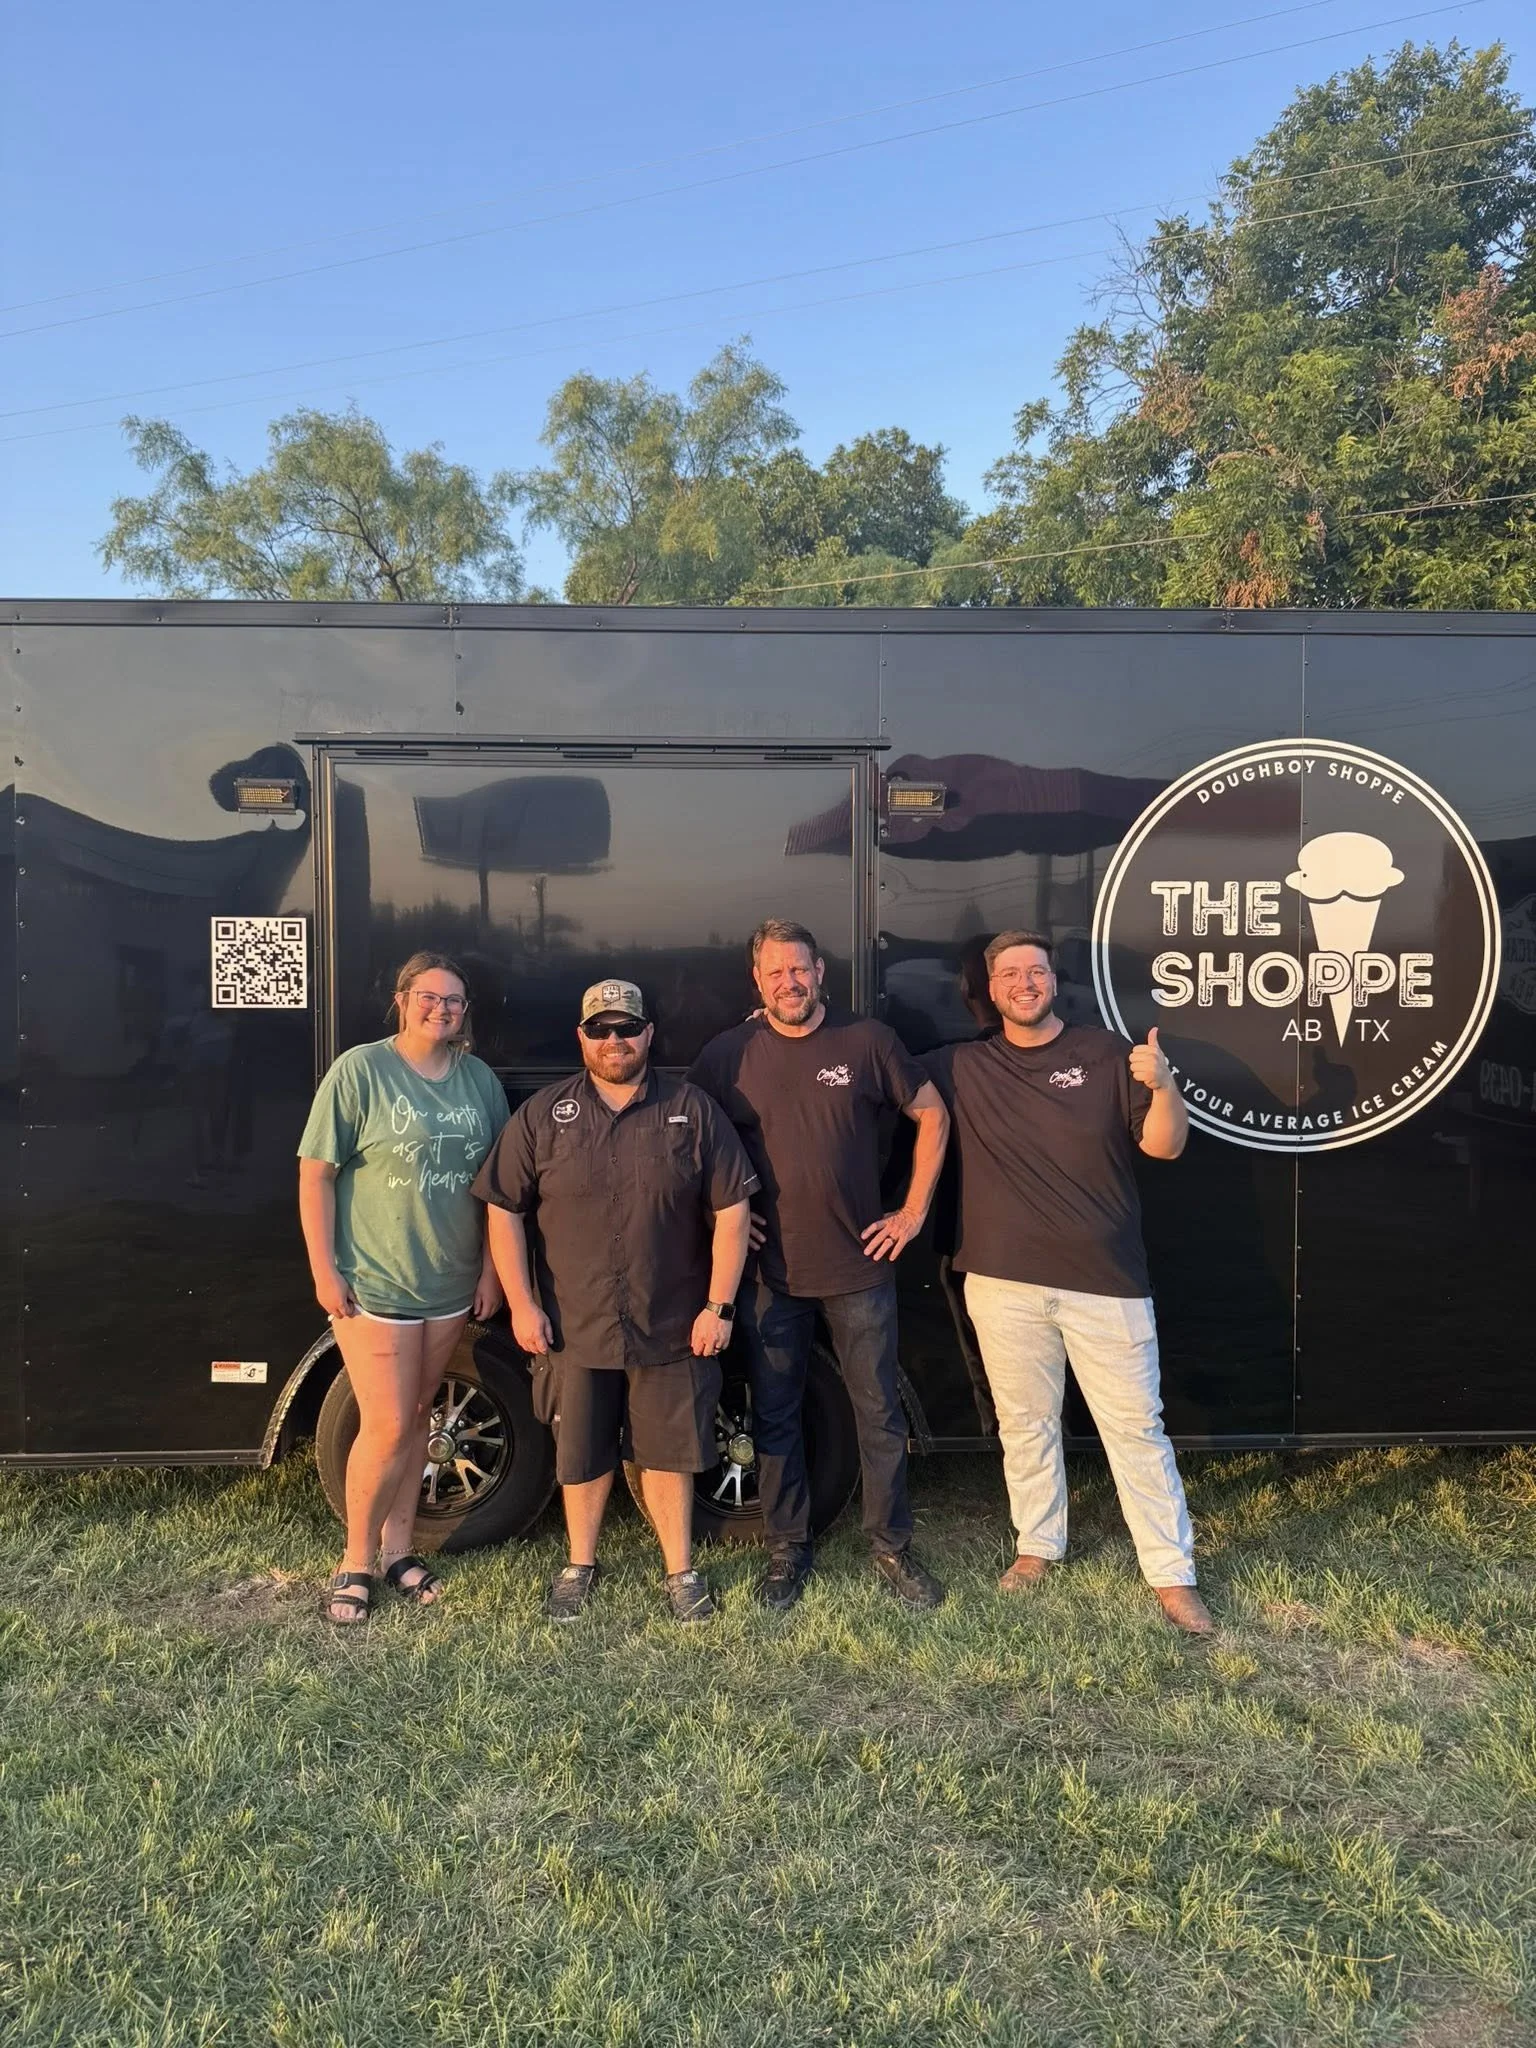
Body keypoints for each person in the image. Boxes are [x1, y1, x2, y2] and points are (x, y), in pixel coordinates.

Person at [924, 929, 1212, 1634]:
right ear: (989, 990)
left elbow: (1166, 1145)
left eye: (1037, 971)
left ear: (1055, 982)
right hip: (1002, 1283)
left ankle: (1172, 1574)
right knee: (1025, 1424)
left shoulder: (1107, 1055)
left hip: (1106, 1282)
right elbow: (869, 1075)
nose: (1024, 983)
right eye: (1010, 974)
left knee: (1137, 1430)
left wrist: (1164, 1084)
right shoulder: (960, 1065)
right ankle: (1038, 1546)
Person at [473, 978, 756, 1625]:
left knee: (668, 1453)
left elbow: (733, 1210)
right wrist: (522, 1303)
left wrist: (719, 1306)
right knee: (582, 1455)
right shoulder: (543, 1115)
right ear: (582, 1037)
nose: (614, 1040)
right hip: (576, 1323)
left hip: (672, 1323)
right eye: (600, 1029)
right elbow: (502, 1207)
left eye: (627, 1028)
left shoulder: (692, 1109)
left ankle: (680, 1571)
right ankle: (580, 1565)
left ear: (648, 1034)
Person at [688, 919, 951, 1612]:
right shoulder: (728, 1054)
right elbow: (688, 1142)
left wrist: (911, 1212)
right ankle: (787, 1549)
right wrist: (720, 1218)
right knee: (776, 1415)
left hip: (860, 1269)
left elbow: (932, 1115)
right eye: (775, 972)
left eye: (799, 969)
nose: (789, 982)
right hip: (769, 1276)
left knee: (879, 1415)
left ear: (820, 972)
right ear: (757, 981)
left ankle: (891, 1547)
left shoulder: (868, 1042)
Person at [298, 952, 508, 1625]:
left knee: (418, 1415)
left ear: (465, 1011)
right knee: (387, 1423)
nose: (440, 1009)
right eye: (428, 996)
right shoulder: (361, 1070)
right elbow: (316, 1175)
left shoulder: (479, 1080)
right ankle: (355, 1561)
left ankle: (398, 1551)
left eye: (453, 1000)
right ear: (402, 999)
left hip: (449, 1280)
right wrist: (324, 1269)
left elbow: (497, 1187)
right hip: (374, 1281)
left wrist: (492, 1270)